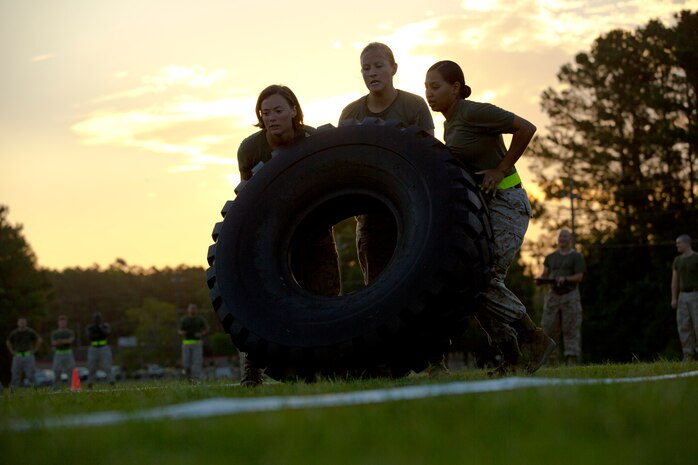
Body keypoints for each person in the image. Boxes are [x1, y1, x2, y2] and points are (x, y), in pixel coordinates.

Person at [424, 60, 555, 374]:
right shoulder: (450, 123)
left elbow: (526, 128)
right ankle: (511, 356)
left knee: (482, 278)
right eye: (426, 87)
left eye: (435, 86)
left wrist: (501, 168)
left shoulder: (472, 112)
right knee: (471, 283)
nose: (428, 93)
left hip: (509, 203)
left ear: (455, 88)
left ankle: (533, 338)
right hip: (486, 208)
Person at [236, 84, 340, 386]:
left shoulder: (313, 140)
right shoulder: (251, 149)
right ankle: (251, 372)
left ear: (293, 110)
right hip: (270, 238)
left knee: (324, 298)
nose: (271, 118)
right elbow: (247, 195)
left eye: (278, 111)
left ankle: (319, 370)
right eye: (265, 113)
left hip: (315, 232)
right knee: (257, 303)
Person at [339, 42, 435, 286]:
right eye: (366, 68)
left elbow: (430, 154)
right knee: (377, 283)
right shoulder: (351, 114)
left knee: (417, 279)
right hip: (371, 207)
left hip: (413, 204)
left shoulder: (414, 106)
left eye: (378, 66)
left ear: (393, 68)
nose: (371, 73)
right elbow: (343, 163)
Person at [536, 229, 586, 365]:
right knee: (549, 327)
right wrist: (541, 279)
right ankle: (551, 361)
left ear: (570, 239)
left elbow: (579, 276)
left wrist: (565, 279)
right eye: (560, 236)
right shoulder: (551, 257)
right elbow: (545, 273)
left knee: (571, 328)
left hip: (570, 296)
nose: (562, 238)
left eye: (565, 236)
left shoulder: (576, 257)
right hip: (553, 296)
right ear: (558, 239)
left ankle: (572, 359)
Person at [671, 234, 698, 361]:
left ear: (686, 243)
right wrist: (674, 298)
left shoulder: (696, 258)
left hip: (696, 295)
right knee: (683, 325)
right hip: (683, 296)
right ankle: (688, 355)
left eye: (679, 243)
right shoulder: (678, 260)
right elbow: (675, 280)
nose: (677, 245)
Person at [6, 317, 42, 390]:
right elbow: (8, 342)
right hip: (17, 356)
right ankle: (13, 392)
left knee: (31, 375)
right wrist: (11, 351)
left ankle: (35, 390)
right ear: (17, 323)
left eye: (23, 322)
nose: (22, 324)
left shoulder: (30, 332)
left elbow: (39, 339)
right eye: (20, 322)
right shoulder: (14, 333)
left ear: (26, 323)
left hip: (28, 356)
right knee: (15, 374)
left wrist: (35, 349)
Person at [178, 303, 209, 381]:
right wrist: (182, 333)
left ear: (196, 310)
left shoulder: (200, 319)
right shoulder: (184, 319)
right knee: (186, 363)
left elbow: (206, 329)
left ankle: (196, 379)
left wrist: (201, 334)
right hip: (186, 344)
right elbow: (179, 330)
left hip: (197, 343)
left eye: (194, 308)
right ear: (188, 309)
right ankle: (187, 379)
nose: (192, 310)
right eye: (191, 308)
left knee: (197, 363)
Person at [85, 312, 115, 387]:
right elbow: (90, 337)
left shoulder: (105, 326)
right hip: (94, 348)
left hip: (103, 347)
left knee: (107, 365)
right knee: (92, 366)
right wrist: (98, 333)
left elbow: (106, 334)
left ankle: (111, 381)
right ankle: (90, 382)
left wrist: (100, 329)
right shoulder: (90, 327)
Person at [51, 315, 76, 389]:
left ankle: (73, 387)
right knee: (57, 370)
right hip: (58, 353)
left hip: (68, 353)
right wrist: (65, 341)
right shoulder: (55, 333)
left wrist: (60, 341)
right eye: (61, 322)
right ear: (58, 323)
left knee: (71, 370)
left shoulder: (70, 332)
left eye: (64, 322)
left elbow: (71, 341)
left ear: (66, 323)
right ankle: (55, 387)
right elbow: (53, 343)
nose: (62, 324)